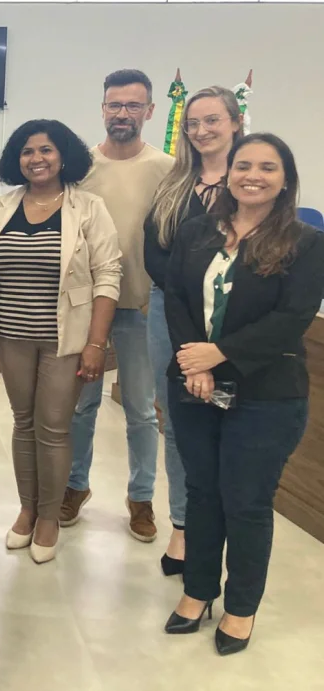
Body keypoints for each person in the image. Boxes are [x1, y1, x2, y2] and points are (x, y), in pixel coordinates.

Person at [162, 133, 324, 655]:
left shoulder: (306, 242)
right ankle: (198, 591)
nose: (253, 175)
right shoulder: (195, 231)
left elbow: (291, 318)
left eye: (267, 167)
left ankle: (241, 607)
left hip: (266, 394)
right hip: (193, 383)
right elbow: (176, 297)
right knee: (203, 493)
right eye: (243, 165)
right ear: (228, 172)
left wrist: (219, 354)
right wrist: (194, 360)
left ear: (285, 178)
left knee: (246, 502)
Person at [0, 120, 121, 564]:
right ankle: (26, 509)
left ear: (63, 156)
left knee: (54, 428)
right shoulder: (4, 205)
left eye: (46, 150)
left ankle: (48, 518)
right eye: (27, 151)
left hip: (66, 339)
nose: (36, 159)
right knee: (23, 424)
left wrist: (96, 343)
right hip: (12, 334)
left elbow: (108, 275)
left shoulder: (88, 207)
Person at [61, 69, 173, 543]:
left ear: (150, 111)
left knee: (141, 411)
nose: (122, 113)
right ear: (103, 108)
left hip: (142, 307)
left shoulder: (167, 168)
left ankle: (141, 498)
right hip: (87, 308)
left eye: (133, 105)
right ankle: (74, 486)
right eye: (114, 104)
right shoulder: (80, 167)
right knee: (80, 406)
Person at [144, 86, 243, 576]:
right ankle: (183, 525)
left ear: (235, 121)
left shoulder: (250, 179)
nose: (202, 131)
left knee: (233, 425)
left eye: (212, 120)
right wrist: (189, 305)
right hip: (173, 315)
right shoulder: (174, 184)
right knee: (179, 423)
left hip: (236, 323)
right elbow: (154, 252)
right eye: (193, 123)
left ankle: (224, 527)